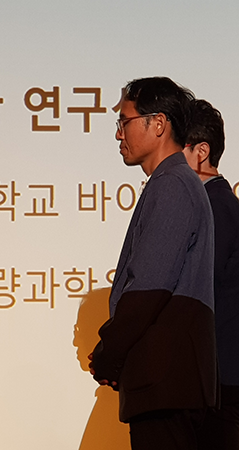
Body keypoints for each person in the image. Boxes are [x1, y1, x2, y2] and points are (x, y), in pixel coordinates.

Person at [88, 77, 217, 450]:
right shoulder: (174, 182)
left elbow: (149, 287)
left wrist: (109, 354)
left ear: (158, 124)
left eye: (124, 121)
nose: (118, 134)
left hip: (165, 380)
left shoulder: (172, 184)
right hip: (169, 380)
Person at [183, 99, 239, 450]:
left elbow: (199, 289)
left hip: (219, 380)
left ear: (201, 152)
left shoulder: (216, 207)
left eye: (176, 150)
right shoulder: (212, 204)